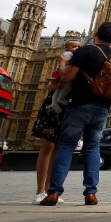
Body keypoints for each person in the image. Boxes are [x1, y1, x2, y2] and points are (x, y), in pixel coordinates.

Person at [41, 21, 111, 206]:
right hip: (102, 108)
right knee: (92, 147)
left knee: (66, 146)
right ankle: (91, 193)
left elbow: (66, 76)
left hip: (79, 105)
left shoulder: (85, 51)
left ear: (95, 33)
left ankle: (53, 192)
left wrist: (62, 63)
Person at [30, 71, 65, 204]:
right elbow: (50, 83)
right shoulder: (64, 63)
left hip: (66, 108)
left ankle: (49, 190)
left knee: (56, 150)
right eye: (73, 47)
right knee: (47, 147)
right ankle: (40, 191)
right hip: (52, 108)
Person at [50, 39, 80, 113]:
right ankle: (60, 99)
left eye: (79, 46)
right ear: (67, 48)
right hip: (63, 75)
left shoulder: (67, 54)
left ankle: (54, 103)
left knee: (58, 90)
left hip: (61, 76)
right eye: (74, 46)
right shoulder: (68, 54)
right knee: (65, 87)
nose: (77, 48)